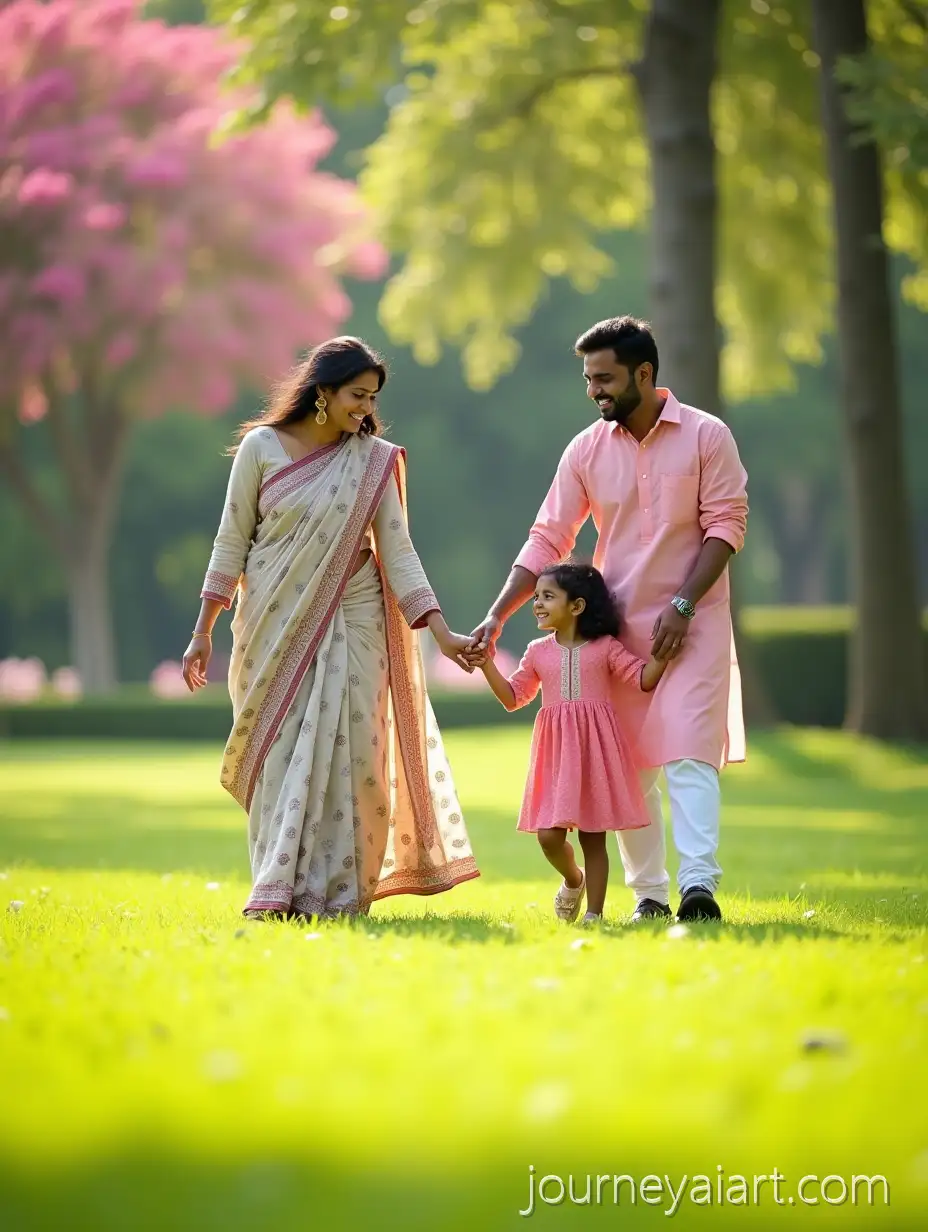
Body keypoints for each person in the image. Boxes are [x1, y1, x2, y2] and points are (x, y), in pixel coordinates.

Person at [183, 336, 479, 920]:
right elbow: (231, 540)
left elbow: (399, 553)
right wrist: (203, 630)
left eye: (371, 399)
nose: (365, 410)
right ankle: (279, 888)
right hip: (274, 624)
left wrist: (442, 632)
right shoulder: (262, 448)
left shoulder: (373, 462)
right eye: (356, 396)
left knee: (361, 761)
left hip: (358, 620)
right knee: (281, 757)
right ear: (322, 392)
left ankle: (344, 895)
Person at [469, 317, 748, 923]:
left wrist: (683, 604)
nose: (595, 391)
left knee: (689, 753)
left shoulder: (706, 436)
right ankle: (649, 895)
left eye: (606, 379)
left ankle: (698, 887)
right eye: (589, 380)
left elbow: (726, 525)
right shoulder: (586, 450)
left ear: (644, 375)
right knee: (630, 767)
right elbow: (550, 536)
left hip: (692, 624)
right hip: (614, 631)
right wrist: (497, 615)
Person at [474, 562, 668, 924]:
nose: (537, 604)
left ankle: (594, 915)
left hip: (596, 755)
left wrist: (664, 652)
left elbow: (643, 678)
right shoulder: (536, 652)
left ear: (576, 606)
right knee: (548, 837)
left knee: (595, 839)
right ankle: (572, 878)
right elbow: (513, 697)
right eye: (536, 597)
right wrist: (486, 665)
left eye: (548, 596)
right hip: (557, 757)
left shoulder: (605, 648)